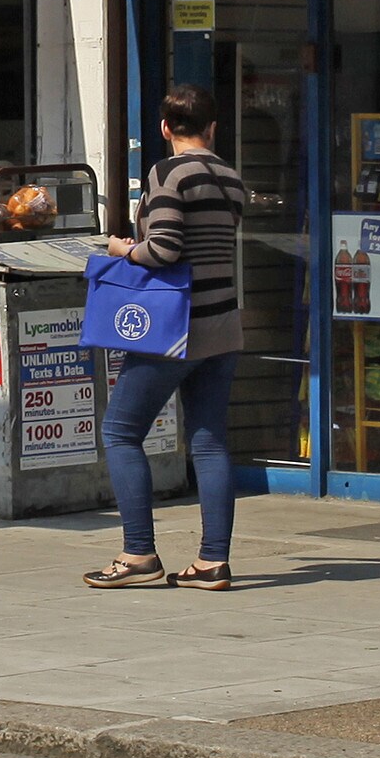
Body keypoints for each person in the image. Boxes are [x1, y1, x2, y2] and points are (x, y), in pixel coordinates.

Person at [85, 82, 246, 591]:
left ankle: (138, 554)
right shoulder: (230, 177)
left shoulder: (167, 172)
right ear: (212, 128)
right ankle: (212, 562)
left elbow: (165, 249)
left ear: (165, 128)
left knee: (120, 432)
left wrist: (122, 250)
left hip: (174, 326)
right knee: (209, 442)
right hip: (224, 325)